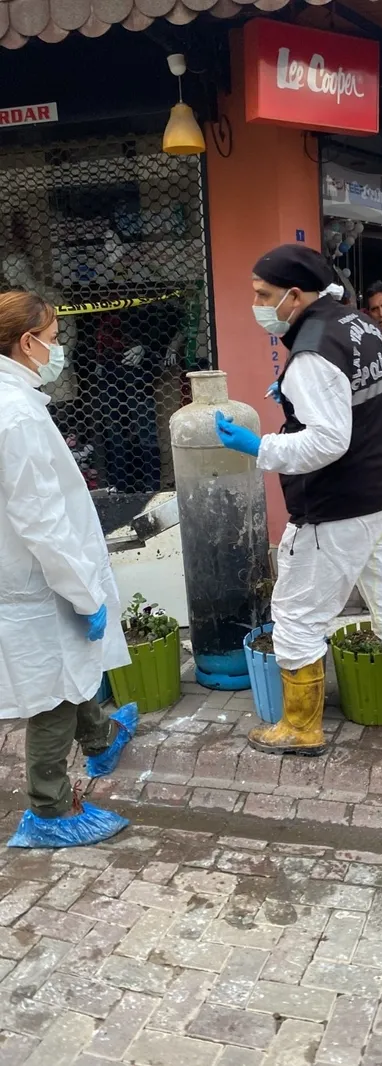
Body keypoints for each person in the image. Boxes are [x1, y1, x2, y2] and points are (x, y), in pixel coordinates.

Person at [215, 244, 382, 757]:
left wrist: (259, 446)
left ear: (294, 295)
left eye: (263, 294)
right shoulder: (358, 326)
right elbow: (356, 396)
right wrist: (293, 393)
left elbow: (328, 440)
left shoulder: (312, 349)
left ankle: (301, 726)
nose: (257, 303)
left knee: (295, 615)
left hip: (333, 512)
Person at [0, 291, 137, 849]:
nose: (59, 350)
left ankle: (102, 739)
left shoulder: (17, 400)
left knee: (75, 662)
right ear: (27, 342)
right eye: (54, 340)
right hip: (39, 576)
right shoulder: (16, 418)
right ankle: (50, 810)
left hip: (36, 572)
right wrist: (84, 593)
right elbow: (42, 523)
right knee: (54, 691)